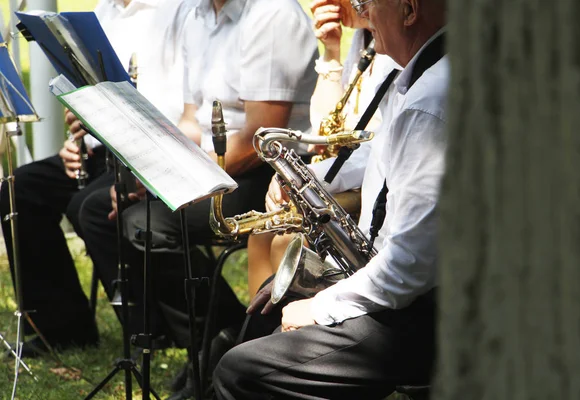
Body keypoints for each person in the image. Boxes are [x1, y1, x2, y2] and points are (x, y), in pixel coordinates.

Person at [79, 0, 318, 396]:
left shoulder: (273, 14)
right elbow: (192, 122)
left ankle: (219, 344)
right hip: (212, 165)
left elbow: (258, 138)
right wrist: (152, 168)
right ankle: (215, 338)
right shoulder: (198, 14)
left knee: (144, 223)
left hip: (267, 176)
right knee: (104, 207)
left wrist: (179, 178)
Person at [213, 0, 447, 398]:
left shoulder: (432, 102)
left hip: (428, 315)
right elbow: (385, 153)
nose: (364, 14)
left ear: (409, 10)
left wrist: (321, 306)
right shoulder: (427, 76)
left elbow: (408, 270)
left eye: (369, 3)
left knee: (241, 372)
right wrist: (312, 176)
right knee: (266, 309)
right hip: (411, 293)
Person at [0, 0, 186, 357]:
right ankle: (63, 326)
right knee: (22, 188)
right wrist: (78, 139)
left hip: (152, 149)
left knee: (89, 206)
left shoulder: (177, 10)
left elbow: (175, 106)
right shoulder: (105, 11)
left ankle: (151, 332)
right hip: (103, 148)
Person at [246, 0, 397, 298]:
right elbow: (326, 126)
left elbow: (377, 148)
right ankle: (264, 329)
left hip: (373, 187)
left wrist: (313, 179)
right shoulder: (362, 41)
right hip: (344, 171)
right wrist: (330, 52)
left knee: (285, 238)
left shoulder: (393, 48)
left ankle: (291, 328)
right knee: (260, 236)